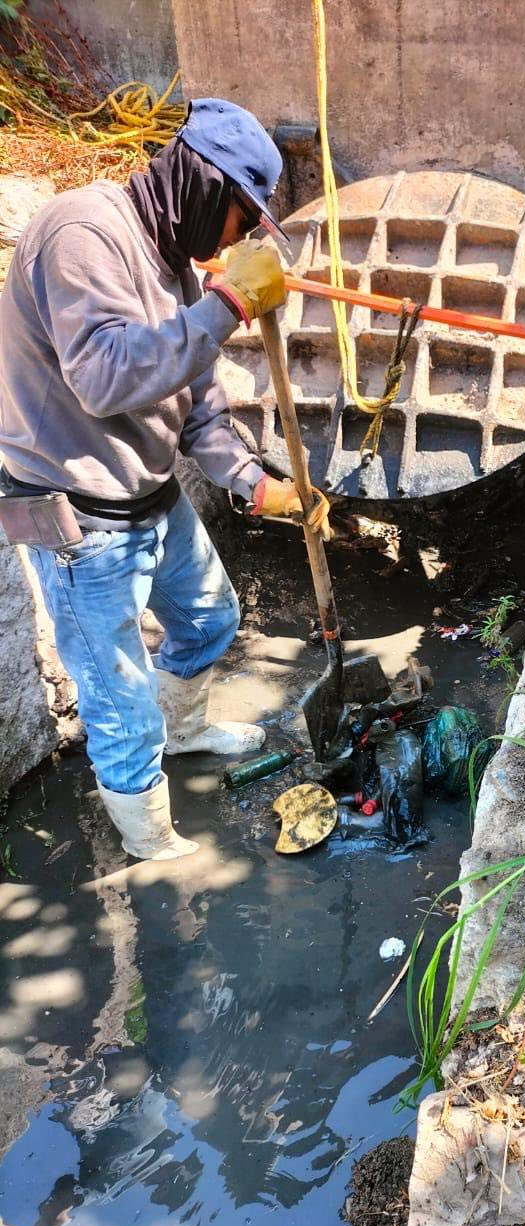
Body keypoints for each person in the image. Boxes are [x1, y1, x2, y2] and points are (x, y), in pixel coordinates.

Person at [0, 98, 330, 862]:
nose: (241, 239)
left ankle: (184, 736)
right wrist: (227, 304)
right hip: (80, 515)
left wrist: (255, 484)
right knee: (117, 701)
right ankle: (150, 844)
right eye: (242, 220)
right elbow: (106, 379)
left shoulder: (176, 269)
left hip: (150, 491)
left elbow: (198, 409)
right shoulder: (81, 236)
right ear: (204, 185)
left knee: (211, 619)